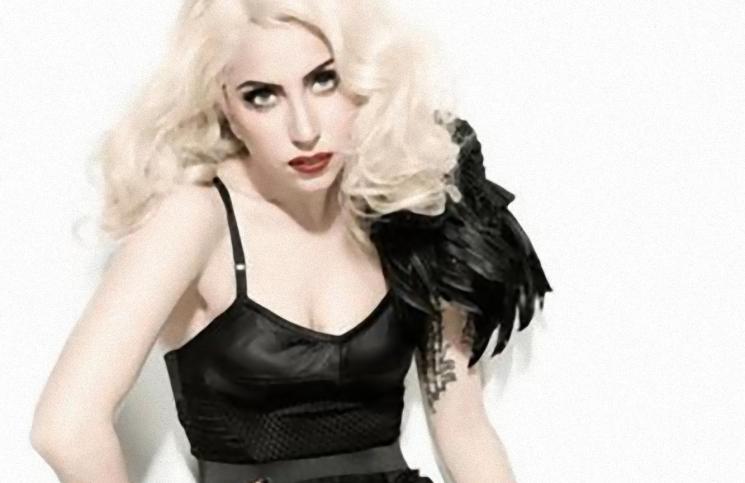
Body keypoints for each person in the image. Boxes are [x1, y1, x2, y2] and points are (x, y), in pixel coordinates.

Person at [30, 1, 551, 482]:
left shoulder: (404, 206)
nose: (304, 129)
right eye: (262, 96)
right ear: (224, 105)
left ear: (364, 77)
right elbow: (67, 428)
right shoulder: (195, 219)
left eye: (324, 80)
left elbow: (464, 430)